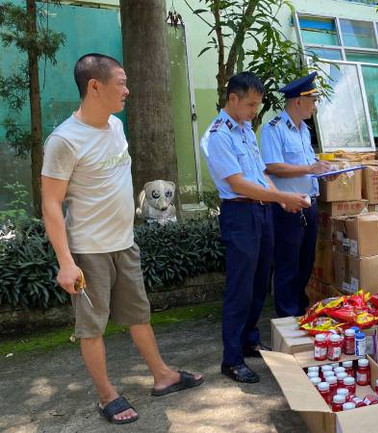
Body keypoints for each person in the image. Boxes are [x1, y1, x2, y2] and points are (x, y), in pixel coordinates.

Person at [41, 53, 203, 425]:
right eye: (121, 83)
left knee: (138, 315)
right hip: (89, 251)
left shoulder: (115, 125)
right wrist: (66, 262)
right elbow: (51, 204)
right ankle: (107, 396)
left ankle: (162, 375)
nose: (127, 90)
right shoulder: (64, 140)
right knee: (92, 328)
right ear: (94, 86)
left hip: (124, 243)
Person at [200, 72, 310, 383]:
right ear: (232, 98)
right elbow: (238, 184)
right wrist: (282, 197)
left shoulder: (246, 128)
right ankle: (232, 359)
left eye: (257, 105)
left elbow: (261, 174)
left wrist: (280, 201)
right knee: (240, 287)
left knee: (261, 281)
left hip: (262, 211)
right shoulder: (219, 135)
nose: (254, 111)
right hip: (240, 214)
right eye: (250, 105)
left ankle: (249, 340)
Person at [261, 72, 332, 318]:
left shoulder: (303, 130)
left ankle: (299, 312)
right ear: (298, 101)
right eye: (313, 100)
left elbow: (308, 164)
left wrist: (323, 171)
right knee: (287, 264)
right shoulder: (274, 129)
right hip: (288, 207)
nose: (315, 106)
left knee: (305, 263)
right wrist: (310, 169)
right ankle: (287, 318)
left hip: (309, 204)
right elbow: (272, 166)